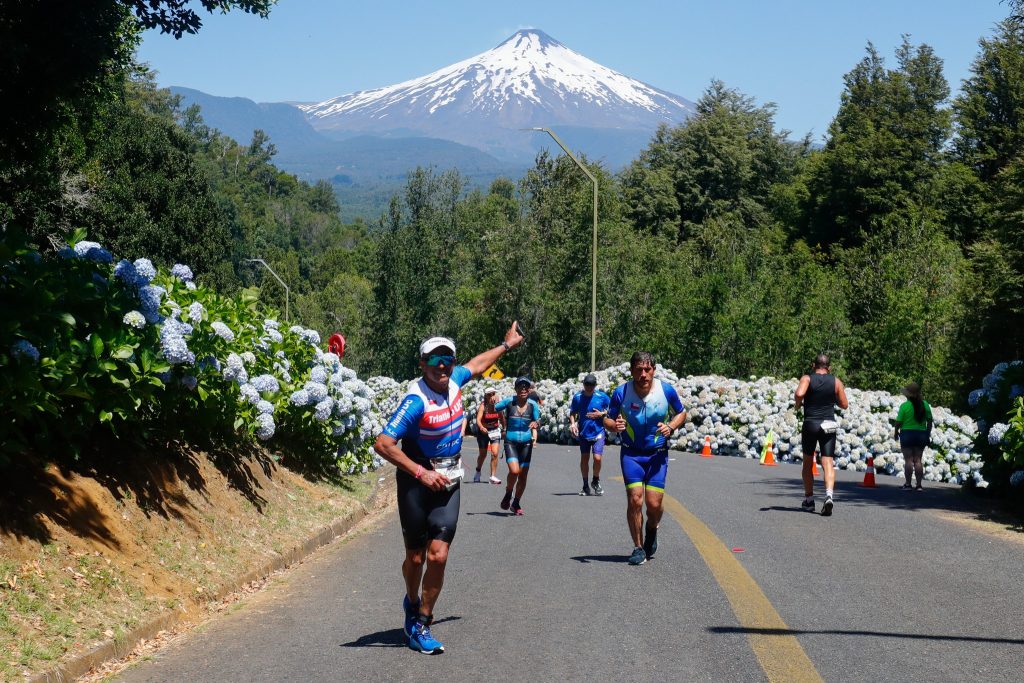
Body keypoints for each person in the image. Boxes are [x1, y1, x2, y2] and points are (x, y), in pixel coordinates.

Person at [373, 323, 524, 655]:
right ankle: (411, 603)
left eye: (448, 359)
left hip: (449, 480)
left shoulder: (455, 381)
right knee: (415, 557)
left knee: (437, 555)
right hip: (416, 484)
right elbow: (383, 443)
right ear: (422, 364)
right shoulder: (415, 401)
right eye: (435, 359)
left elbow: (479, 364)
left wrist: (506, 344)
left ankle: (421, 622)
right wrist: (420, 473)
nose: (442, 365)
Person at [604, 352, 687, 566]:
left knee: (653, 504)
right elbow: (608, 419)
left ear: (654, 370)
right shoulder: (621, 392)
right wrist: (614, 426)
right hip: (631, 453)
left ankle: (652, 529)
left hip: (657, 455)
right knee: (635, 499)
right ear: (631, 371)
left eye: (647, 369)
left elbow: (681, 413)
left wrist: (671, 426)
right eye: (639, 370)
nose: (643, 374)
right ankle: (638, 547)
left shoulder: (665, 390)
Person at [794, 354, 849, 516]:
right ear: (829, 367)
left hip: (811, 423)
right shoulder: (836, 382)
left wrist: (798, 404)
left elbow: (799, 394)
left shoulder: (807, 378)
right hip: (828, 425)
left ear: (814, 365)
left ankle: (809, 500)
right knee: (828, 462)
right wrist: (833, 399)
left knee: (807, 462)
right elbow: (845, 404)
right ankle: (829, 496)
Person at [495, 377, 541, 515]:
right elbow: (492, 408)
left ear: (529, 390)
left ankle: (516, 502)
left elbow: (538, 419)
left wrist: (536, 424)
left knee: (523, 476)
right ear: (515, 389)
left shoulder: (533, 404)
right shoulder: (509, 401)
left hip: (526, 443)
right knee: (514, 471)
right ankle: (508, 493)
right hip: (511, 442)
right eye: (520, 387)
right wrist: (491, 402)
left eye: (526, 387)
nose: (523, 389)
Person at [569, 373, 611, 496]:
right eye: (587, 384)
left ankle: (596, 480)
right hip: (584, 433)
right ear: (583, 384)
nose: (589, 387)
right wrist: (573, 424)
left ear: (595, 385)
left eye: (592, 385)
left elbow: (613, 409)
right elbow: (573, 412)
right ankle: (585, 485)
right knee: (585, 458)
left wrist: (602, 414)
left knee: (597, 458)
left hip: (598, 431)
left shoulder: (601, 396)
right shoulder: (578, 397)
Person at [893, 382, 932, 490]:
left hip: (907, 434)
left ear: (908, 394)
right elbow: (929, 422)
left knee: (909, 460)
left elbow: (898, 422)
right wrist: (927, 435)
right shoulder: (925, 405)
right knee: (918, 460)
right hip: (921, 435)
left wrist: (896, 432)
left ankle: (908, 484)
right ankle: (919, 485)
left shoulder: (904, 406)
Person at [473, 387, 504, 484]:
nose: (491, 396)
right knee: (483, 455)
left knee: (495, 453)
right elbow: (478, 420)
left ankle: (493, 476)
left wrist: (505, 429)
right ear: (485, 396)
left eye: (493, 394)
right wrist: (482, 427)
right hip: (484, 432)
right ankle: (478, 470)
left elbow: (502, 418)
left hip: (495, 430)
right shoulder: (483, 406)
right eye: (489, 395)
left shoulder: (498, 406)